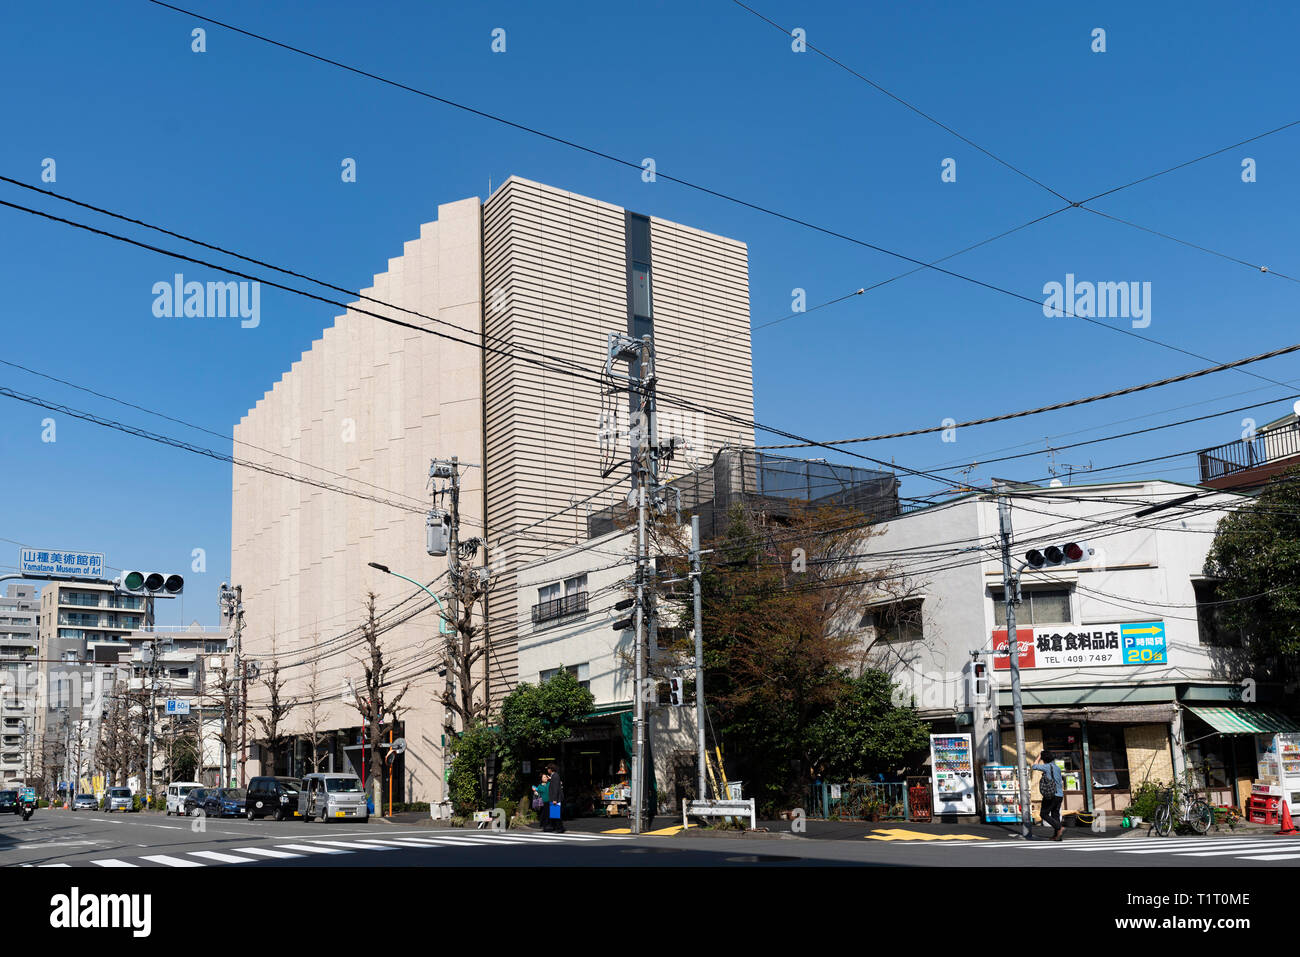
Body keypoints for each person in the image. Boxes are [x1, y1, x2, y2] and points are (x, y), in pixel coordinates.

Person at [1031, 749, 1065, 841]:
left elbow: (1034, 766)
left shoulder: (1046, 767)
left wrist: (1039, 756)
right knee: (1055, 815)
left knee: (1044, 814)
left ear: (1044, 759)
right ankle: (1057, 836)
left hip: (1051, 795)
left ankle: (1059, 827)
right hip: (1060, 795)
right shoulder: (1057, 767)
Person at [546, 763, 565, 833]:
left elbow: (555, 788)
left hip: (556, 799)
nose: (547, 770)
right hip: (556, 798)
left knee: (557, 814)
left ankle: (560, 828)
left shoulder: (555, 776)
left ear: (551, 769)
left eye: (548, 768)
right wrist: (550, 779)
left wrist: (554, 799)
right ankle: (556, 827)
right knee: (555, 814)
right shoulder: (554, 776)